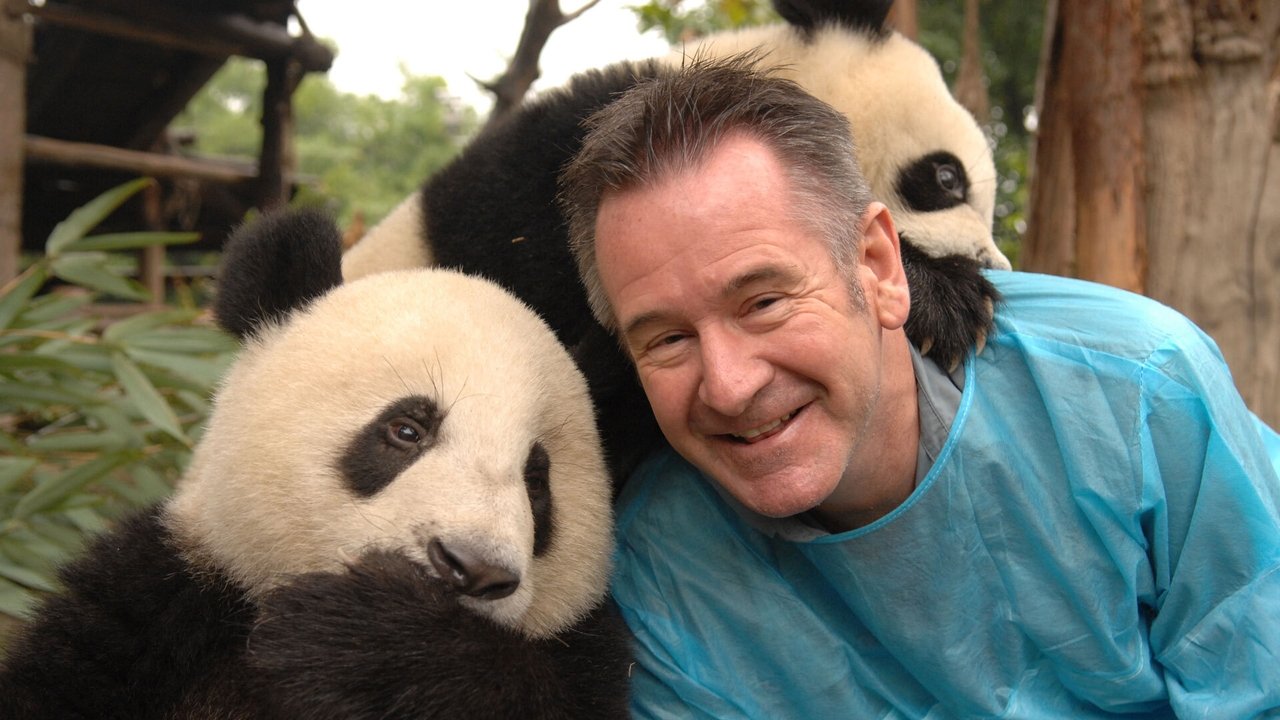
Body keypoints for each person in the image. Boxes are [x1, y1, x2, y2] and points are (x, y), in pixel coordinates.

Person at [558, 56, 1280, 719]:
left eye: (764, 302)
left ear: (879, 266)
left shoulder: (1137, 394)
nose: (728, 385)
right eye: (667, 340)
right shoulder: (661, 575)